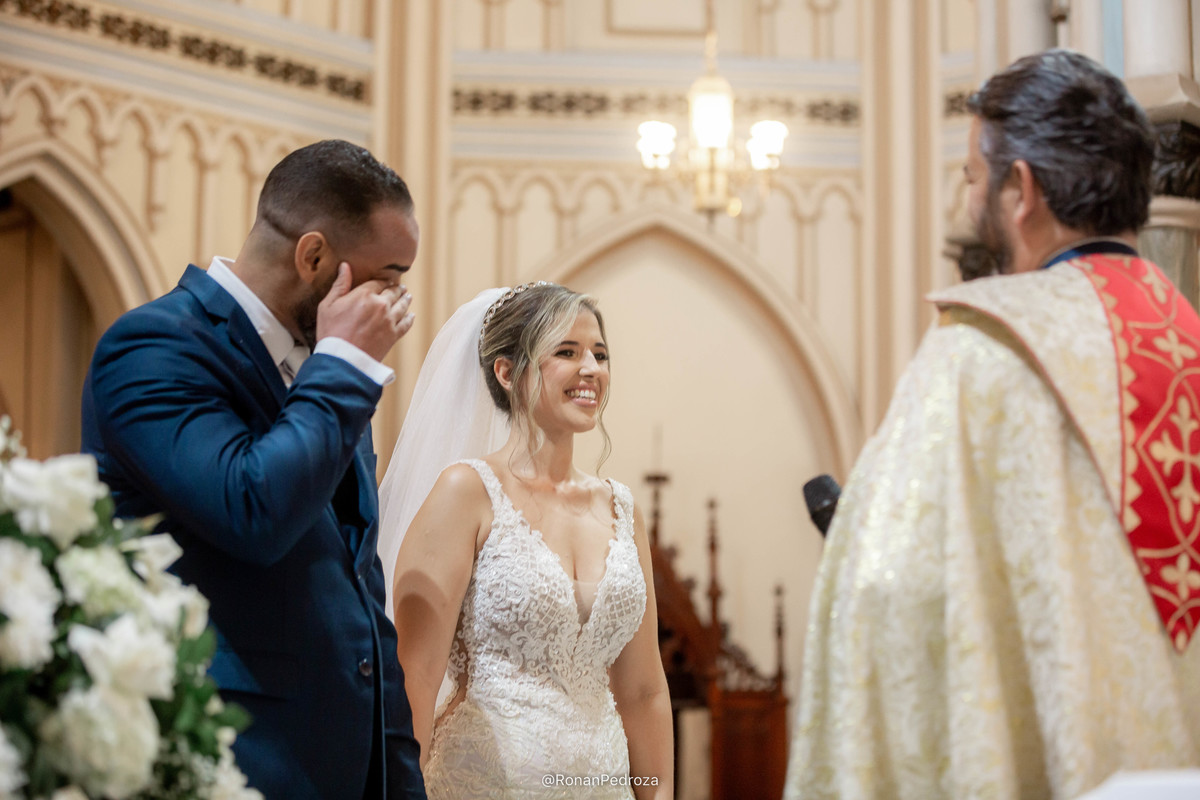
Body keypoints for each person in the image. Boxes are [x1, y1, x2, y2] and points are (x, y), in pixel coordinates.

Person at [785, 50, 1200, 800]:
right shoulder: (1190, 339)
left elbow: (889, 592)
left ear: (1022, 191)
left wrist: (853, 536)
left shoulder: (981, 350)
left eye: (973, 176)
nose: (969, 196)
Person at [81, 140, 426, 800]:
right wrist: (345, 365)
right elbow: (253, 511)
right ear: (314, 256)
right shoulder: (155, 345)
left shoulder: (326, 365)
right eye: (388, 276)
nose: (395, 301)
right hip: (231, 756)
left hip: (342, 769)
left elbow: (359, 585)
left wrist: (398, 776)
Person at [380, 283, 673, 799]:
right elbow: (416, 676)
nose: (592, 369)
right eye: (567, 352)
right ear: (507, 372)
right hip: (483, 784)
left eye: (600, 354)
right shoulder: (466, 492)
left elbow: (644, 691)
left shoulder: (622, 510)